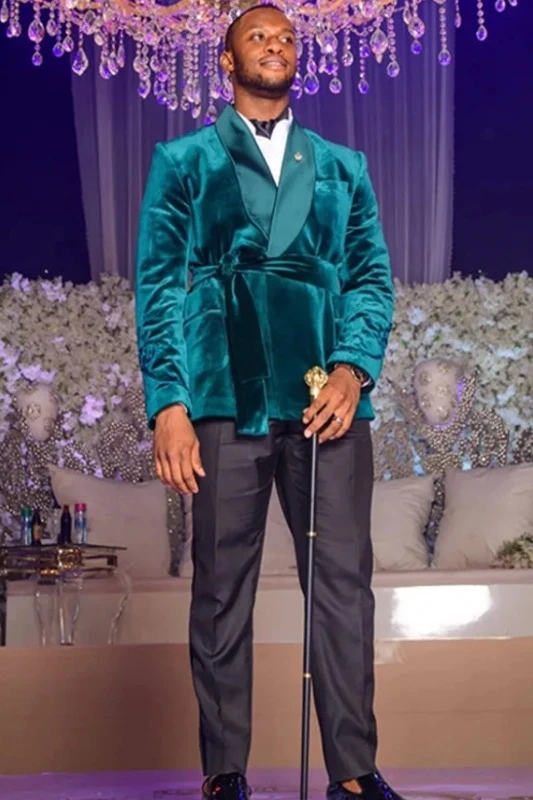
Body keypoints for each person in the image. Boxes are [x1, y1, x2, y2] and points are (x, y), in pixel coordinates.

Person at [135, 5, 399, 800]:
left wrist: (354, 369)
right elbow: (158, 287)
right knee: (220, 588)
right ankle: (225, 772)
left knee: (343, 586)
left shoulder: (343, 165)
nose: (276, 44)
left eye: (286, 37)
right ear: (226, 61)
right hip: (225, 394)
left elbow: (370, 278)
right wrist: (168, 405)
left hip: (327, 399)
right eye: (258, 36)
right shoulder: (182, 160)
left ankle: (353, 772)